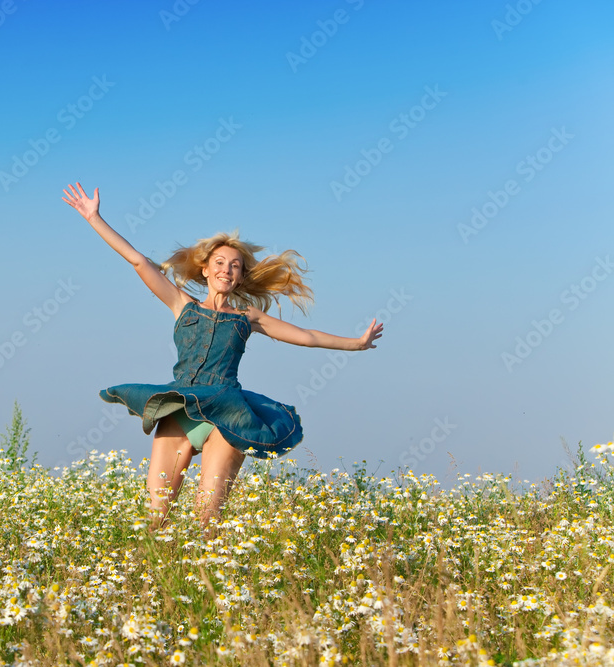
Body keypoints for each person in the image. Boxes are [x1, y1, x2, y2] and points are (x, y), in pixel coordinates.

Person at [62, 182, 383, 530]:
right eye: (219, 263)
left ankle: (209, 578)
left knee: (208, 517)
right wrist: (95, 218)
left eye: (234, 266)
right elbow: (139, 261)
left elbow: (306, 336)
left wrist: (358, 343)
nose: (226, 270)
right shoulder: (181, 304)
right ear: (205, 269)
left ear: (241, 276)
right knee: (156, 516)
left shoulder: (247, 318)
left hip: (227, 414)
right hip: (181, 406)